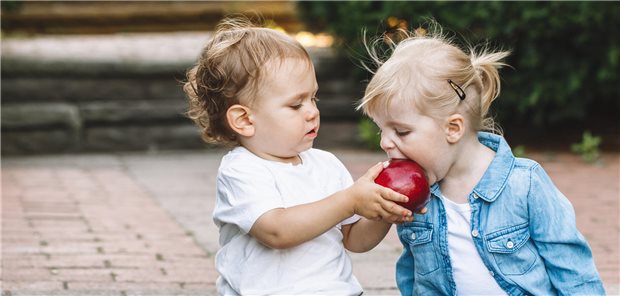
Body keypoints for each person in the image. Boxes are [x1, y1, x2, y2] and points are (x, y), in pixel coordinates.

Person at [357, 23, 605, 295]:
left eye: (401, 131)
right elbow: (413, 273)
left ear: (453, 128)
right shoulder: (417, 197)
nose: (384, 142)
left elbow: (572, 270)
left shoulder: (524, 184)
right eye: (382, 130)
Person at [183, 16, 414, 295]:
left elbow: (354, 240)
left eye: (313, 98)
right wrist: (349, 200)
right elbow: (276, 231)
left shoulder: (326, 164)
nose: (312, 111)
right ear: (244, 120)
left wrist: (382, 211)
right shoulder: (242, 170)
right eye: (295, 104)